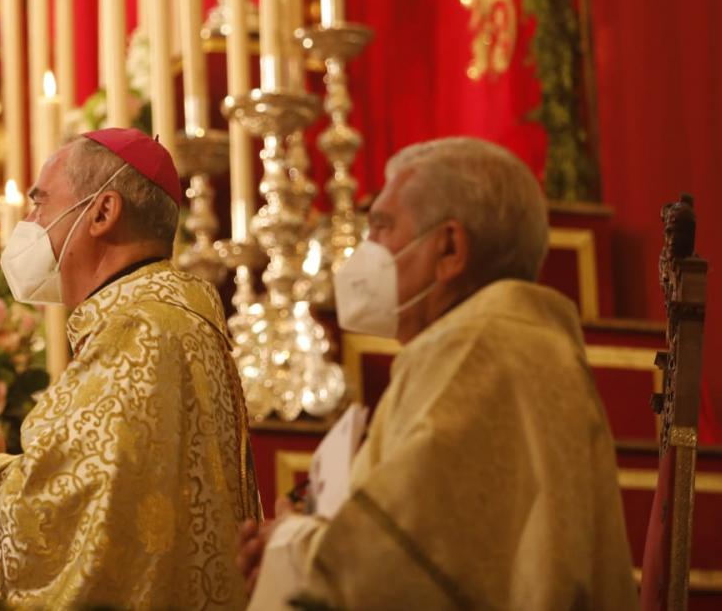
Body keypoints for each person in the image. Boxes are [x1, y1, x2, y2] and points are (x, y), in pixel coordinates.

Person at [237, 137, 638, 611]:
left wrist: (289, 545)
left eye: (382, 227)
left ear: (448, 248)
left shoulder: (478, 353)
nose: (366, 252)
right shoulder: (511, 341)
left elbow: (396, 567)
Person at [0, 128, 261, 610]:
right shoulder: (164, 321)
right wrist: (14, 468)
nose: (28, 221)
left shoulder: (139, 332)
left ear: (102, 213)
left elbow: (66, 540)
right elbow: (115, 516)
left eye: (40, 203)